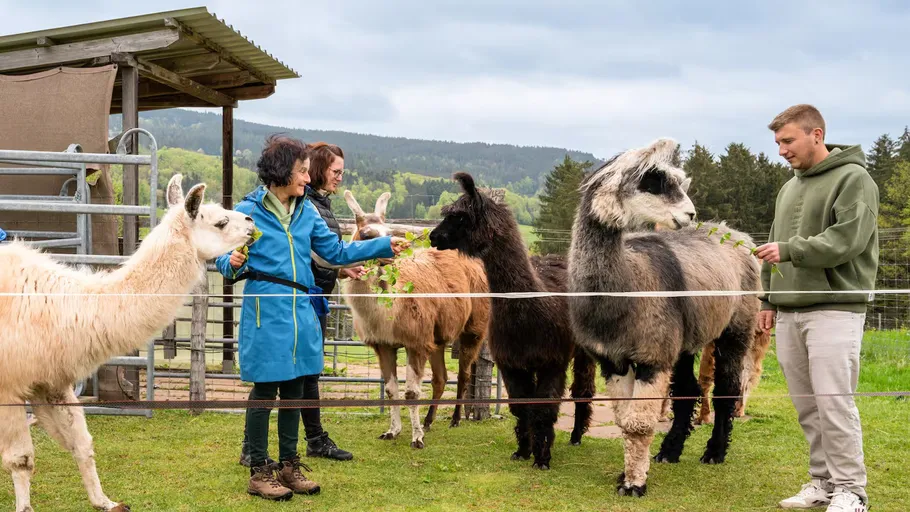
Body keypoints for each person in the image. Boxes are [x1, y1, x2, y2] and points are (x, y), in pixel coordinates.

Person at [216, 135, 408, 501]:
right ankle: (259, 471)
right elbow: (224, 260)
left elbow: (335, 251)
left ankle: (289, 466)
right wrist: (232, 262)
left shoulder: (307, 212)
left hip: (302, 310)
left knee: (293, 389)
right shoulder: (247, 212)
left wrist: (382, 246)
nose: (307, 178)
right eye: (302, 171)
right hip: (266, 310)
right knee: (265, 392)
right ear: (281, 171)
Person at [755, 104, 879, 512]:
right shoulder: (788, 187)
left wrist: (790, 251)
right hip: (790, 311)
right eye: (777, 143)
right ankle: (823, 482)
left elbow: (848, 240)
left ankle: (852, 490)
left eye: (787, 141)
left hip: (835, 308)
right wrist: (767, 300)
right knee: (807, 405)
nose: (781, 150)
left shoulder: (854, 179)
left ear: (817, 135)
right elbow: (772, 248)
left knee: (833, 401)